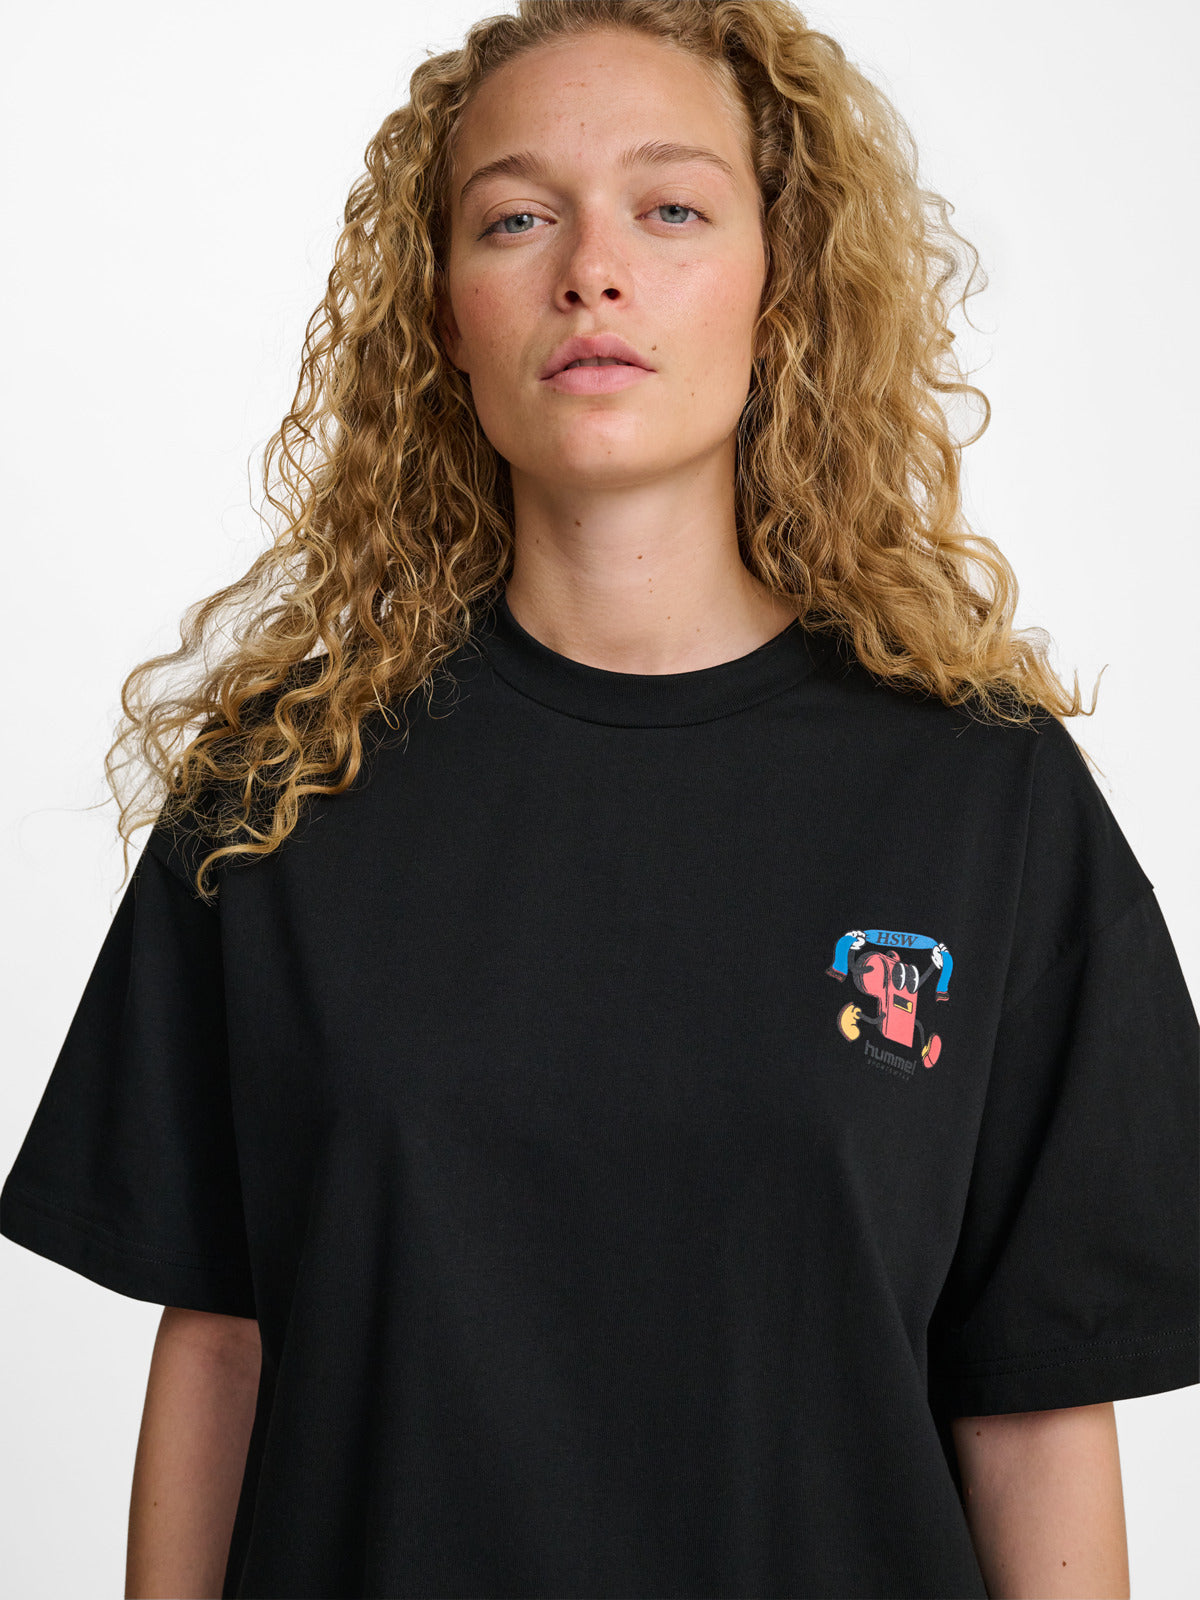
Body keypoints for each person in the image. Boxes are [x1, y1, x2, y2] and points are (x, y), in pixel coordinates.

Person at [2, 2, 1196, 1596]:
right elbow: (219, 1350)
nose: (592, 272)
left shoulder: (988, 798)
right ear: (442, 312)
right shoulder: (278, 791)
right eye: (516, 219)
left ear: (783, 288)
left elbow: (1038, 1410)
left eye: (672, 207)